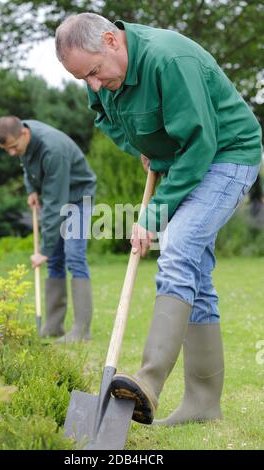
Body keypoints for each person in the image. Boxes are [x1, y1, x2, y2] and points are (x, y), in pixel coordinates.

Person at [55, 13, 262, 425]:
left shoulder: (169, 60)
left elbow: (200, 146)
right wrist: (144, 147)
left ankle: (147, 382)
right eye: (83, 79)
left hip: (227, 155)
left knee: (178, 248)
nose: (93, 86)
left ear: (113, 41)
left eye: (94, 72)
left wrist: (152, 216)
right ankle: (203, 404)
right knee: (195, 275)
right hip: (186, 158)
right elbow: (106, 117)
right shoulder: (102, 78)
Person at [0, 116, 96, 342]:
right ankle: (53, 326)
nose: (11, 153)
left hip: (78, 198)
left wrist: (44, 250)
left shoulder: (52, 150)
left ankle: (81, 330)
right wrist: (31, 189)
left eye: (13, 147)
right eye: (6, 149)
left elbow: (54, 205)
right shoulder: (23, 140)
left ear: (25, 134)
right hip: (58, 196)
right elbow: (27, 165)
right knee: (55, 260)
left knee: (74, 257)